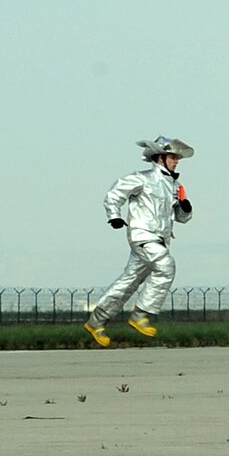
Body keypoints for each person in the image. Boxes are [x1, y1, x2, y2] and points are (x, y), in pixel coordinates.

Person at [85, 137, 195, 347]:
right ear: (160, 157)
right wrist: (114, 215)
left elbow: (181, 218)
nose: (176, 161)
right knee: (166, 266)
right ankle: (140, 315)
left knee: (129, 281)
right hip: (143, 236)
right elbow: (115, 193)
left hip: (161, 239)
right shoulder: (142, 178)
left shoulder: (175, 186)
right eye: (173, 157)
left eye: (177, 158)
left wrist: (185, 208)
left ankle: (96, 322)